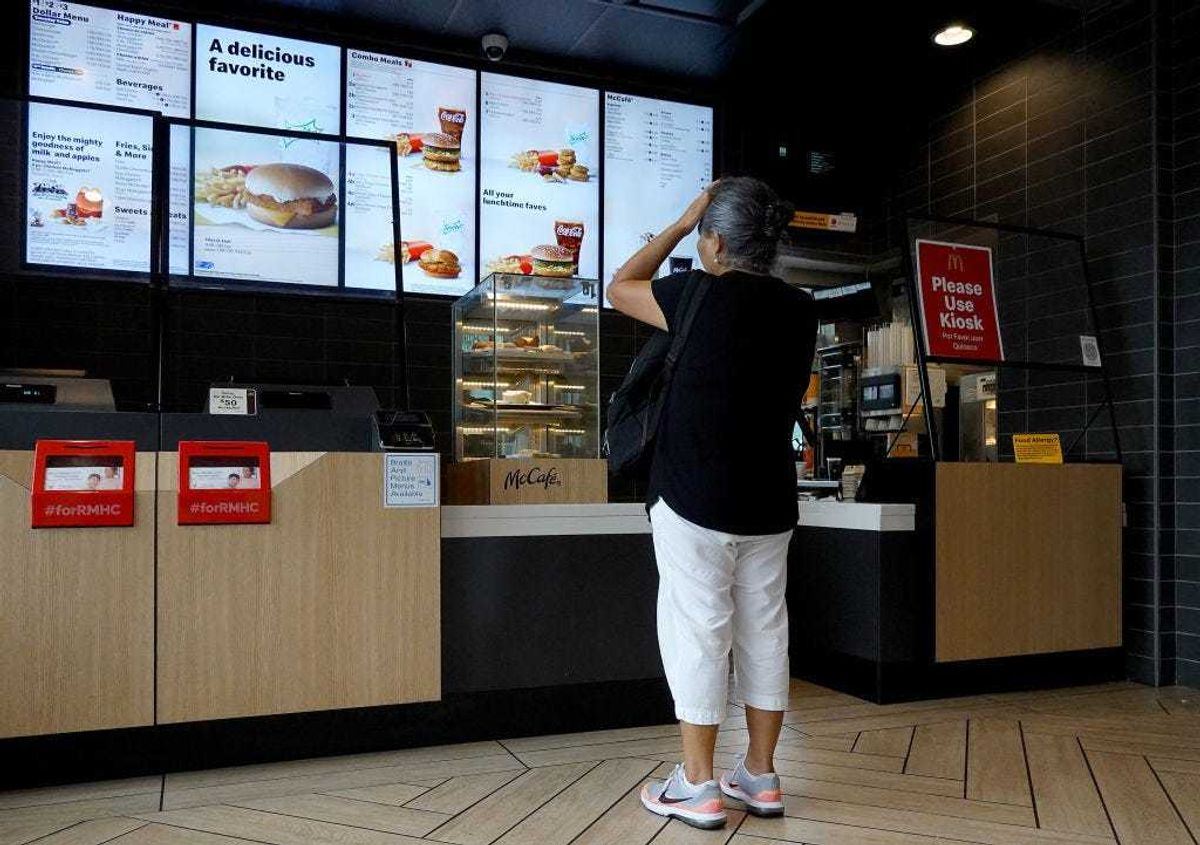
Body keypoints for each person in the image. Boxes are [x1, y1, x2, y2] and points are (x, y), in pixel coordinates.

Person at [608, 177, 818, 830]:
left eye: (703, 234)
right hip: (769, 502)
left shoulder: (694, 292)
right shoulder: (801, 309)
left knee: (697, 629)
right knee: (765, 631)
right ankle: (759, 774)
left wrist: (678, 221)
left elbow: (620, 286)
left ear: (717, 240)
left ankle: (698, 784)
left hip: (693, 496)